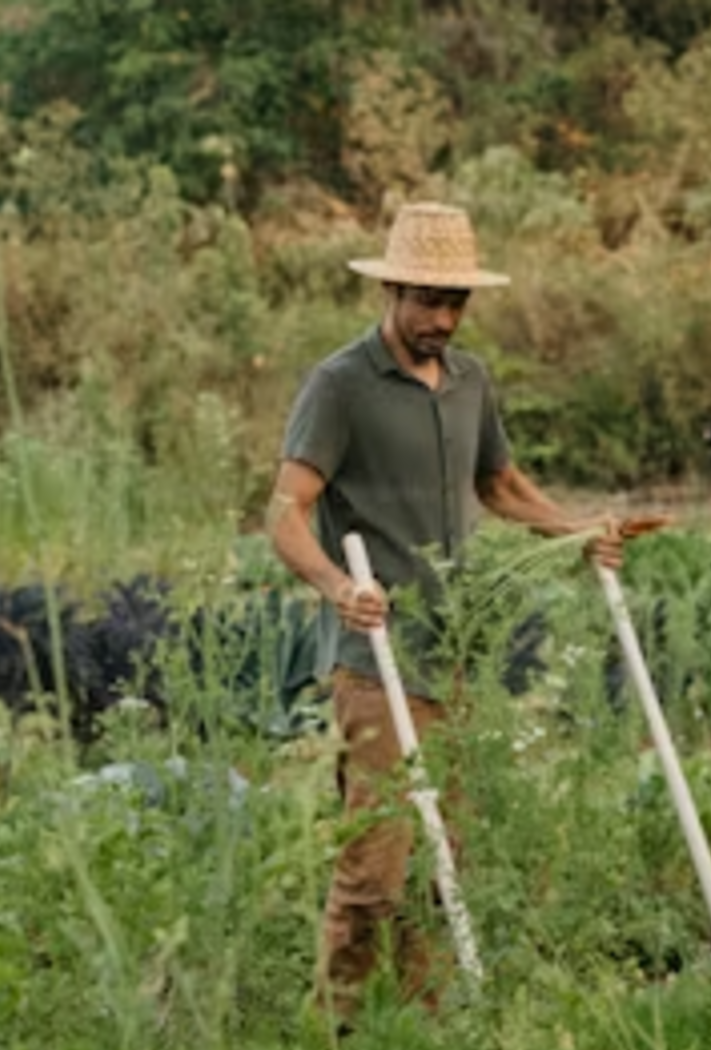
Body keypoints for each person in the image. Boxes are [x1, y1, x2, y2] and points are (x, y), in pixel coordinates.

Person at [267, 201, 635, 1024]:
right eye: (428, 300)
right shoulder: (340, 386)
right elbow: (285, 511)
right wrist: (337, 586)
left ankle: (426, 1026)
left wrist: (580, 533)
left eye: (455, 303)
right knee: (375, 871)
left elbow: (500, 486)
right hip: (377, 662)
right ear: (392, 288)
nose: (442, 319)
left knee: (445, 865)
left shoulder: (470, 382)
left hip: (455, 654)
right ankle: (340, 1029)